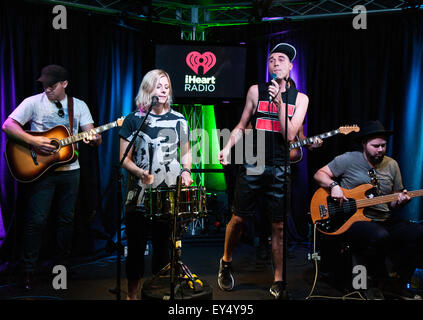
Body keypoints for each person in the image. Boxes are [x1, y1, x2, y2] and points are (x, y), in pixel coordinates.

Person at [217, 43, 309, 299]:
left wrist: (280, 101)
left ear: (291, 66)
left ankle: (279, 279)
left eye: (281, 59)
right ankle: (226, 261)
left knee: (278, 226)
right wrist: (227, 147)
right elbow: (241, 125)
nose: (275, 63)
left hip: (280, 166)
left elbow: (289, 134)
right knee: (239, 218)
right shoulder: (256, 91)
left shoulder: (301, 99)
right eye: (271, 60)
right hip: (253, 162)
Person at [1, 64, 102, 289]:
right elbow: (8, 125)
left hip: (71, 172)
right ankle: (28, 271)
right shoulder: (33, 102)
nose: (47, 89)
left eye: (52, 85)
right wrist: (34, 141)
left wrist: (92, 139)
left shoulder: (79, 105)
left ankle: (61, 270)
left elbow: (95, 136)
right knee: (36, 221)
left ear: (64, 84)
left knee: (66, 221)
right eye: (45, 84)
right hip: (42, 171)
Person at [313, 120, 423, 299]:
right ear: (364, 144)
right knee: (379, 235)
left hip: (384, 218)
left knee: (417, 232)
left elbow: (394, 200)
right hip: (354, 219)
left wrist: (401, 201)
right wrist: (334, 185)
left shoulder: (392, 165)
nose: (380, 150)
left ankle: (399, 282)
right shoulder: (348, 159)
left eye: (383, 145)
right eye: (375, 146)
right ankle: (373, 282)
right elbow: (319, 174)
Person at [119, 69, 193, 300]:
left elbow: (187, 152)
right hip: (139, 196)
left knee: (163, 251)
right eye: (158, 85)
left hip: (167, 196)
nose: (163, 89)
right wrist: (140, 172)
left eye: (166, 86)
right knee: (136, 252)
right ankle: (132, 296)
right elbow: (124, 158)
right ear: (148, 89)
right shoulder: (133, 119)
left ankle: (157, 295)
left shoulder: (179, 119)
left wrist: (187, 171)